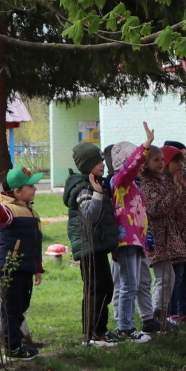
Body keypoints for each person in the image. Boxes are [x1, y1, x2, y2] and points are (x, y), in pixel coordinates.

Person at [0, 167, 45, 358]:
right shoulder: (8, 210)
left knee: (21, 306)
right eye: (30, 186)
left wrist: (38, 267)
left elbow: (36, 242)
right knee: (11, 309)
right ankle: (13, 347)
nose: (34, 189)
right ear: (17, 192)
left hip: (26, 267)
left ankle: (17, 344)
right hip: (12, 267)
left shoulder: (31, 212)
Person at [143, 140, 186, 328]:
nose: (181, 164)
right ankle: (165, 314)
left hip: (182, 235)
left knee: (180, 276)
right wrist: (177, 189)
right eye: (176, 161)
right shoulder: (158, 183)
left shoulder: (178, 181)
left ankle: (180, 311)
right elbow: (159, 209)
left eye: (183, 160)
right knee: (170, 277)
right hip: (165, 237)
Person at [64, 142, 118, 346]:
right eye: (97, 162)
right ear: (87, 165)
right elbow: (89, 216)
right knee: (96, 289)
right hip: (88, 247)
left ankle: (100, 329)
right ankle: (92, 333)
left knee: (105, 287)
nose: (102, 164)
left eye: (102, 161)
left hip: (97, 245)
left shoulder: (94, 183)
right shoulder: (83, 187)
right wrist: (96, 193)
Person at [107, 127, 153, 342]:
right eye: (137, 160)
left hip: (134, 240)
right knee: (128, 285)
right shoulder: (120, 181)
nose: (141, 166)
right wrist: (145, 146)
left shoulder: (132, 184)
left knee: (131, 285)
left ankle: (127, 326)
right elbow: (129, 169)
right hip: (125, 240)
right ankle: (125, 328)